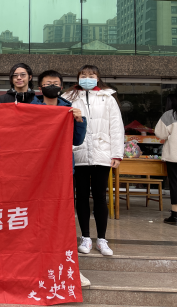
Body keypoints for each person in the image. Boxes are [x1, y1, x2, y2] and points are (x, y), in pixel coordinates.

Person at [31, 70, 91, 287]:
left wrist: (79, 120)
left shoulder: (68, 109)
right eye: (47, 83)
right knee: (36, 219)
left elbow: (77, 140)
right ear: (40, 87)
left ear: (61, 86)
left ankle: (69, 267)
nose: (52, 86)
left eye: (55, 83)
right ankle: (36, 264)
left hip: (62, 173)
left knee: (61, 220)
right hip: (35, 173)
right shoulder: (30, 108)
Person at [64, 65, 124, 257]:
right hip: (78, 154)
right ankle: (86, 238)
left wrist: (117, 154)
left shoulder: (107, 97)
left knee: (100, 196)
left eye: (91, 75)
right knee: (81, 196)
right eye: (83, 75)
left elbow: (116, 127)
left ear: (98, 78)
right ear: (78, 77)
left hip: (102, 154)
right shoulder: (68, 97)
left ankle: (102, 239)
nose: (87, 78)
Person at [155, 94, 177, 225]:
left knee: (176, 183)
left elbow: (160, 133)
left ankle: (175, 216)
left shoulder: (169, 114)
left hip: (175, 155)